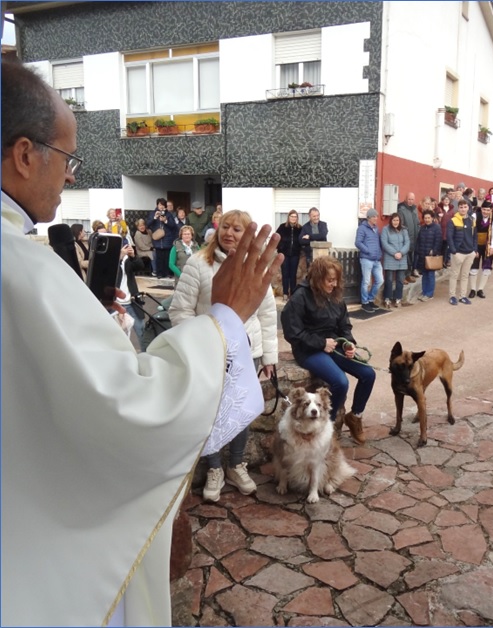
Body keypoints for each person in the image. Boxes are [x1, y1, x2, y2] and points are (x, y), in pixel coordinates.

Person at [1, 58, 283, 626]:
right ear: (25, 155)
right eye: (67, 157)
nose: (72, 176)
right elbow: (134, 408)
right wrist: (226, 317)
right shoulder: (18, 269)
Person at [169, 210, 278, 502]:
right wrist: (199, 342)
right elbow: (180, 311)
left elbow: (267, 314)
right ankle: (215, 467)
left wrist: (269, 356)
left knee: (239, 413)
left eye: (238, 229)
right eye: (225, 227)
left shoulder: (255, 268)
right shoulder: (198, 263)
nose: (229, 233)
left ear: (248, 237)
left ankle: (236, 465)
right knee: (212, 414)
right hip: (210, 353)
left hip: (248, 352)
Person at [281, 256, 375, 446]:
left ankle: (355, 416)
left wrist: (348, 344)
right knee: (340, 382)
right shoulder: (300, 297)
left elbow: (345, 326)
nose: (334, 284)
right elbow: (293, 332)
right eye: (330, 280)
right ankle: (326, 426)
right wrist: (321, 343)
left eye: (336, 280)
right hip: (309, 349)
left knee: (368, 374)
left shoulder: (336, 297)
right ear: (317, 278)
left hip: (334, 345)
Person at [446, 199, 478, 305]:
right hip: (458, 253)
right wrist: (454, 252)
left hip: (469, 253)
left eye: (465, 207)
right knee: (454, 275)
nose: (463, 209)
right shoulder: (453, 221)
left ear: (468, 208)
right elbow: (449, 237)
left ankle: (462, 296)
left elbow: (475, 236)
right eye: (461, 207)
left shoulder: (472, 220)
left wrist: (474, 250)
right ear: (458, 208)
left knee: (465, 276)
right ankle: (452, 296)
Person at [468, 200, 493, 299]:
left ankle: (480, 289)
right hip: (476, 244)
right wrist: (473, 249)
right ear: (481, 209)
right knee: (474, 267)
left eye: (488, 210)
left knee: (486, 267)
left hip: (488, 245)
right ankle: (473, 289)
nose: (485, 212)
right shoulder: (475, 216)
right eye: (484, 209)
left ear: (491, 210)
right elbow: (471, 232)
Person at [354, 207, 384, 313]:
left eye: (376, 216)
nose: (376, 218)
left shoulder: (376, 229)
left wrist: (379, 253)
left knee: (380, 280)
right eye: (374, 216)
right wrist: (368, 251)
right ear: (368, 218)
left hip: (376, 259)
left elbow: (378, 243)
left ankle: (371, 299)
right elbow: (358, 242)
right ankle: (365, 302)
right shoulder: (362, 228)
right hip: (366, 259)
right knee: (366, 281)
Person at [380, 211, 410, 308]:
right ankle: (387, 299)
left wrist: (401, 253)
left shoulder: (404, 230)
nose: (395, 222)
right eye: (394, 220)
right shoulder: (386, 230)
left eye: (397, 220)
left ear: (400, 221)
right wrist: (394, 253)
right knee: (388, 279)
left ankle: (398, 299)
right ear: (391, 221)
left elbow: (407, 243)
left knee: (400, 280)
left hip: (402, 258)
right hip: (390, 258)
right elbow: (384, 243)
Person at [414, 209, 443, 302]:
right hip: (422, 255)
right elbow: (418, 241)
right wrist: (418, 251)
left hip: (431, 256)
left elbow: (438, 241)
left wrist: (434, 251)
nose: (427, 220)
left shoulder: (436, 227)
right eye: (425, 218)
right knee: (424, 275)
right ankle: (424, 292)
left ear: (432, 218)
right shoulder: (422, 228)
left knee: (430, 275)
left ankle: (429, 294)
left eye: (428, 218)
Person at [146, 197, 177, 278]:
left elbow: (173, 226)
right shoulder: (153, 213)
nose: (161, 206)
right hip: (157, 238)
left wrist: (165, 221)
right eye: (160, 205)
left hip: (167, 238)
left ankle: (166, 273)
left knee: (167, 257)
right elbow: (148, 225)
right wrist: (155, 218)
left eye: (163, 205)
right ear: (157, 205)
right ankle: (159, 273)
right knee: (158, 257)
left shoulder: (168, 214)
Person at [276, 209, 303, 301]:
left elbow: (302, 239)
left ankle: (293, 294)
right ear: (288, 217)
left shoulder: (300, 228)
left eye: (295, 217)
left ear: (297, 218)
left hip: (295, 254)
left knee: (293, 274)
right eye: (292, 216)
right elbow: (277, 237)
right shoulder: (282, 227)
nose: (293, 218)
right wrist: (280, 248)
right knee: (285, 274)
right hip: (284, 254)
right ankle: (285, 294)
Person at [397, 192, 420, 283]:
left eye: (412, 199)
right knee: (405, 258)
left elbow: (417, 222)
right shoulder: (401, 208)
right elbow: (401, 223)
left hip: (414, 237)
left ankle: (409, 274)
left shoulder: (414, 209)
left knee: (411, 257)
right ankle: (403, 276)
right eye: (409, 199)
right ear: (406, 199)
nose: (410, 201)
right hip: (406, 237)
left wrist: (418, 231)